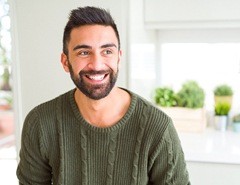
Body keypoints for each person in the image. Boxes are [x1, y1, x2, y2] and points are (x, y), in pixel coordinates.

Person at [16, 6, 190, 185]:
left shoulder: (158, 128)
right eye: (84, 52)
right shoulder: (40, 123)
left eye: (107, 51)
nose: (97, 64)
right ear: (65, 62)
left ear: (118, 58)